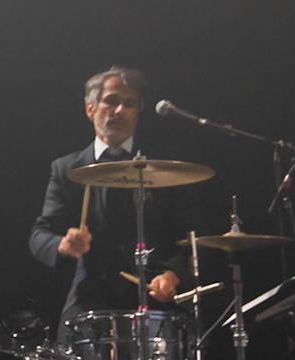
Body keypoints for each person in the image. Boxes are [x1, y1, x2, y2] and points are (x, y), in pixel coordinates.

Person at [28, 66, 193, 328]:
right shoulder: (66, 169)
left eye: (129, 104)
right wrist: (64, 245)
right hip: (89, 297)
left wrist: (173, 274)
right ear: (90, 109)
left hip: (152, 296)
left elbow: (191, 235)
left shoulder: (164, 169)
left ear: (137, 114)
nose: (119, 111)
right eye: (111, 101)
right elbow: (39, 235)